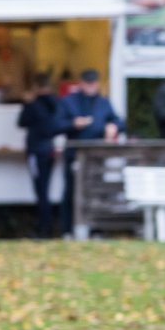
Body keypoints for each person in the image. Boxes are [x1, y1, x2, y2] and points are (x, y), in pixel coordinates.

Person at [59, 69, 124, 239]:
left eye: (93, 83)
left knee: (96, 192)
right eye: (87, 83)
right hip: (75, 153)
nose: (91, 86)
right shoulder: (69, 102)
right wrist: (73, 124)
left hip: (96, 155)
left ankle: (97, 228)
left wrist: (114, 127)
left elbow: (118, 120)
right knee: (72, 192)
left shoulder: (103, 102)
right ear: (81, 83)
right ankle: (68, 229)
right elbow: (55, 124)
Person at [17, 74, 66, 239]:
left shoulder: (34, 104)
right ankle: (48, 226)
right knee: (46, 189)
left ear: (36, 87)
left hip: (37, 151)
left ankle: (43, 228)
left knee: (41, 191)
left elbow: (21, 122)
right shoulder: (57, 103)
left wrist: (27, 102)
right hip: (50, 150)